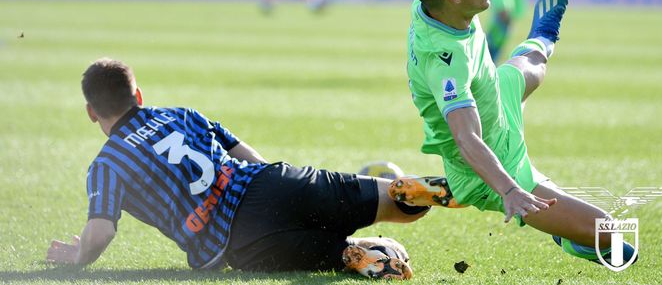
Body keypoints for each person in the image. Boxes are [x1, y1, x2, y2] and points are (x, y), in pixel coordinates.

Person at [392, 0, 636, 268]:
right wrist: (507, 190)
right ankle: (567, 236)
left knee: (533, 66)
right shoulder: (444, 61)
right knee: (615, 242)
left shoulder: (434, 0)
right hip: (492, 162)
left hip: (494, 95)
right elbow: (467, 138)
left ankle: (543, 34)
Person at [46, 58, 428, 279]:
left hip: (238, 244)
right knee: (389, 198)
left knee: (327, 255)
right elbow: (250, 157)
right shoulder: (181, 114)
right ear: (139, 96)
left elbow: (99, 235)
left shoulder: (108, 164)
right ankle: (427, 191)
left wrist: (78, 256)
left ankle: (355, 255)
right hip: (269, 184)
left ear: (91, 112)